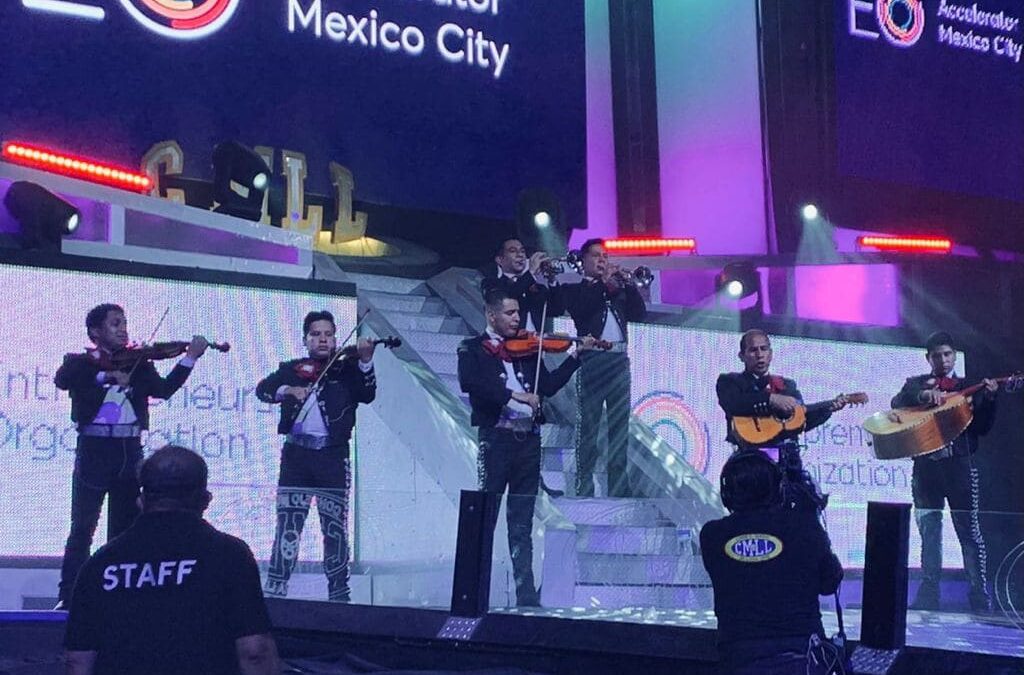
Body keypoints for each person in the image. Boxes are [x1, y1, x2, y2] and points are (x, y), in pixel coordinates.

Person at [63, 445, 280, 675]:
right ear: (205, 500)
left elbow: (78, 662)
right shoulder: (230, 555)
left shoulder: (100, 564)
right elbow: (254, 651)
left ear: (142, 500)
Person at [54, 304, 209, 607]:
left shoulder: (139, 362)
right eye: (114, 324)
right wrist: (108, 377)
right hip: (96, 450)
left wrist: (189, 358)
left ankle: (119, 597)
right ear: (95, 332)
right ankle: (69, 596)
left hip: (129, 448)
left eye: (124, 323)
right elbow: (64, 379)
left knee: (124, 529)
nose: (123, 329)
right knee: (83, 527)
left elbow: (163, 390)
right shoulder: (81, 362)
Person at [457, 288, 595, 605]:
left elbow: (545, 386)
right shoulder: (472, 349)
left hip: (528, 440)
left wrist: (575, 357)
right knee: (485, 516)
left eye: (518, 313)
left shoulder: (527, 350)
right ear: (491, 315)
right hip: (496, 440)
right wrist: (513, 396)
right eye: (509, 313)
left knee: (521, 521)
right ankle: (475, 591)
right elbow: (472, 383)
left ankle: (525, 595)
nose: (517, 318)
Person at [256, 310, 376, 602]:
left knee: (334, 528)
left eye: (328, 334)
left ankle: (338, 593)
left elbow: (368, 393)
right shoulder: (292, 368)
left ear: (336, 338)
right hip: (296, 456)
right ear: (305, 339)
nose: (323, 340)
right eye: (316, 334)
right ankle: (276, 589)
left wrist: (366, 360)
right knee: (288, 526)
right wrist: (289, 390)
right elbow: (263, 390)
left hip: (332, 457)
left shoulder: (347, 369)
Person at [700, 450, 844, 675]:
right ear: (778, 489)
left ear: (727, 493)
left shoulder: (711, 535)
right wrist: (809, 512)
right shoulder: (803, 526)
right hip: (801, 657)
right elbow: (829, 584)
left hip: (738, 659)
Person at [890, 331, 998, 612]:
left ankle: (979, 593)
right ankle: (929, 594)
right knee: (929, 530)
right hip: (926, 468)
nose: (943, 359)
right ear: (929, 358)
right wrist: (925, 394)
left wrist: (990, 400)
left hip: (960, 467)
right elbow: (897, 402)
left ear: (954, 356)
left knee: (969, 531)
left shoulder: (967, 387)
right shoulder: (914, 384)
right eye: (937, 355)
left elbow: (982, 428)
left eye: (947, 354)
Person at [553, 238, 645, 497]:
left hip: (619, 361)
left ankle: (619, 487)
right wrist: (606, 284)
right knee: (589, 426)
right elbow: (583, 309)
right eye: (596, 256)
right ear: (583, 261)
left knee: (620, 428)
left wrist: (628, 284)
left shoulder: (619, 290)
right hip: (592, 360)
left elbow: (639, 314)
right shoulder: (574, 290)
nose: (602, 260)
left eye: (605, 256)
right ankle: (584, 485)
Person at [715, 329, 841, 513]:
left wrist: (828, 409)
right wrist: (770, 400)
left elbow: (799, 421)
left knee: (808, 506)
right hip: (750, 465)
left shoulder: (786, 386)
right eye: (753, 350)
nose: (759, 355)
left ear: (771, 354)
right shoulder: (730, 382)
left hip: (786, 465)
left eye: (764, 349)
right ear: (742, 356)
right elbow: (733, 403)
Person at [480, 237, 563, 333]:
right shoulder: (491, 283)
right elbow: (508, 297)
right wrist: (531, 272)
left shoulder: (537, 287)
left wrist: (552, 280)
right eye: (513, 251)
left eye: (522, 251)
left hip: (536, 344)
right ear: (499, 260)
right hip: (508, 344)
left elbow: (557, 310)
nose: (520, 255)